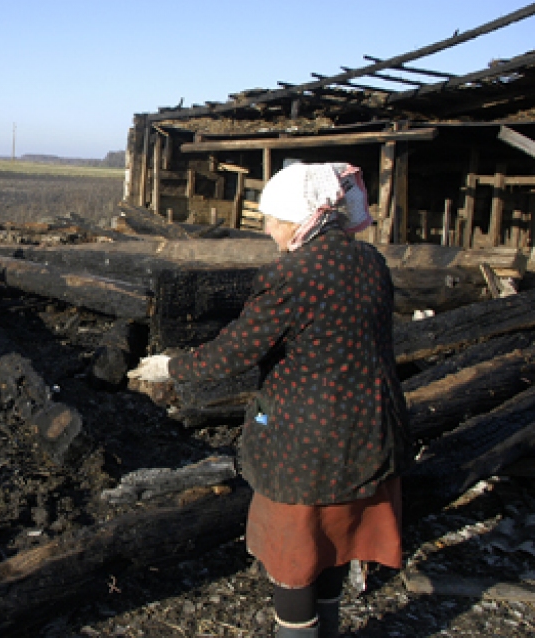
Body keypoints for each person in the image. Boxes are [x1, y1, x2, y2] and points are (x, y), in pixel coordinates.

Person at [129, 162, 410, 638]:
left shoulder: (292, 275)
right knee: (338, 540)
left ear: (301, 219)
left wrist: (171, 366)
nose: (267, 229)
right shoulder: (371, 262)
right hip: (372, 430)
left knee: (294, 555)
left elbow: (235, 352)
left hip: (308, 443)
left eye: (272, 219)